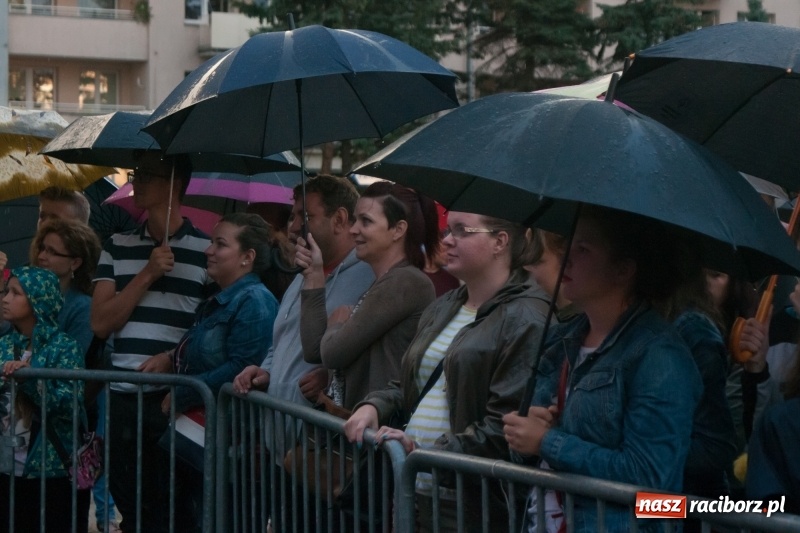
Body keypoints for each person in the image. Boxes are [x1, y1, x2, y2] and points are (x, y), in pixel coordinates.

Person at [343, 210, 550, 532]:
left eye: (461, 231)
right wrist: (375, 405)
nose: (447, 240)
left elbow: (505, 425)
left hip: (469, 501)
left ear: (500, 241)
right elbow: (412, 383)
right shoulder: (445, 304)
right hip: (414, 485)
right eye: (446, 230)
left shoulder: (528, 316)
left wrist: (428, 453)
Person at [503, 206, 702, 532]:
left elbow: (650, 480)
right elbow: (527, 457)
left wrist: (549, 442)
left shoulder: (659, 356)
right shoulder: (561, 340)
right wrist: (526, 438)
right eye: (570, 244)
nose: (566, 257)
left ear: (623, 270)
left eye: (583, 249)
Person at [232, 174, 374, 532]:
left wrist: (331, 372)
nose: (293, 227)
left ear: (340, 219)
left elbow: (359, 351)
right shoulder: (301, 274)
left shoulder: (368, 277)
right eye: (293, 216)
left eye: (303, 217)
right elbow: (281, 341)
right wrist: (264, 370)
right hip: (281, 451)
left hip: (323, 454)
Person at [91, 153, 211, 533]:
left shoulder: (207, 252)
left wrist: (172, 358)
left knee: (175, 508)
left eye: (147, 175)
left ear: (176, 184)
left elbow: (210, 329)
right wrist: (146, 273)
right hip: (125, 396)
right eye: (135, 173)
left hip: (176, 399)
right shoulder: (116, 245)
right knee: (131, 505)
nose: (135, 181)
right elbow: (100, 323)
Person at [140, 212, 280, 532]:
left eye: (220, 244)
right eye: (211, 242)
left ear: (248, 257)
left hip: (231, 445)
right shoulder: (218, 299)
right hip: (205, 440)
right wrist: (171, 356)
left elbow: (240, 366)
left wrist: (183, 393)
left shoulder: (255, 302)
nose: (208, 250)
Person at [297, 181, 438, 411]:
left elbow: (332, 354)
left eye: (366, 221)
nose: (353, 230)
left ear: (398, 230)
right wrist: (314, 274)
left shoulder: (406, 282)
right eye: (355, 220)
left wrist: (338, 325)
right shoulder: (385, 281)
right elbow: (315, 351)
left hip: (375, 434)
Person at [0, 267, 84, 533]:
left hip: (50, 470)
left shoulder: (64, 347)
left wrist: (31, 384)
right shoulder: (2, 344)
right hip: (5, 468)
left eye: (15, 293)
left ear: (38, 300)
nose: (4, 298)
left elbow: (70, 402)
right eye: (6, 291)